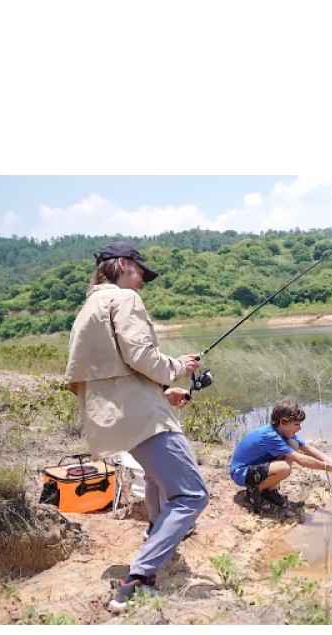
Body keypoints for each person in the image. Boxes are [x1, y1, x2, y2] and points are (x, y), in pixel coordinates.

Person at [64, 241, 209, 613]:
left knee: (161, 481)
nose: (143, 280)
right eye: (141, 271)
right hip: (143, 418)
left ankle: (155, 538)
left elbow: (116, 368)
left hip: (118, 415)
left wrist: (163, 392)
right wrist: (177, 366)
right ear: (125, 265)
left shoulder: (90, 306)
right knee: (192, 495)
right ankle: (137, 579)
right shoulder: (125, 299)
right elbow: (140, 355)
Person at [229, 398, 332, 512]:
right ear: (283, 422)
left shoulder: (284, 433)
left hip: (256, 467)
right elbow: (301, 460)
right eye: (296, 424)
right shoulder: (270, 436)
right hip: (241, 473)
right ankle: (254, 493)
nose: (300, 428)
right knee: (284, 468)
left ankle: (269, 490)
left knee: (294, 444)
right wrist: (331, 468)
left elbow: (309, 449)